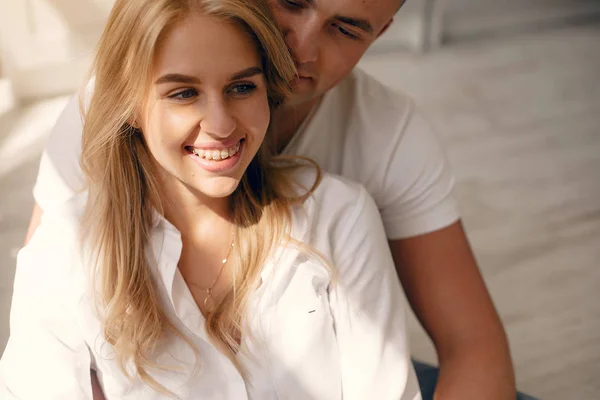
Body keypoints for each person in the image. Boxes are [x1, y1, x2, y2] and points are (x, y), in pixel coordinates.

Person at [24, 0, 516, 399]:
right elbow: (50, 317)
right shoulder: (99, 120)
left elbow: (473, 344)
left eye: (344, 29)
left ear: (379, 34)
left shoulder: (379, 150)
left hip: (345, 339)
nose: (299, 46)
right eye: (292, 2)